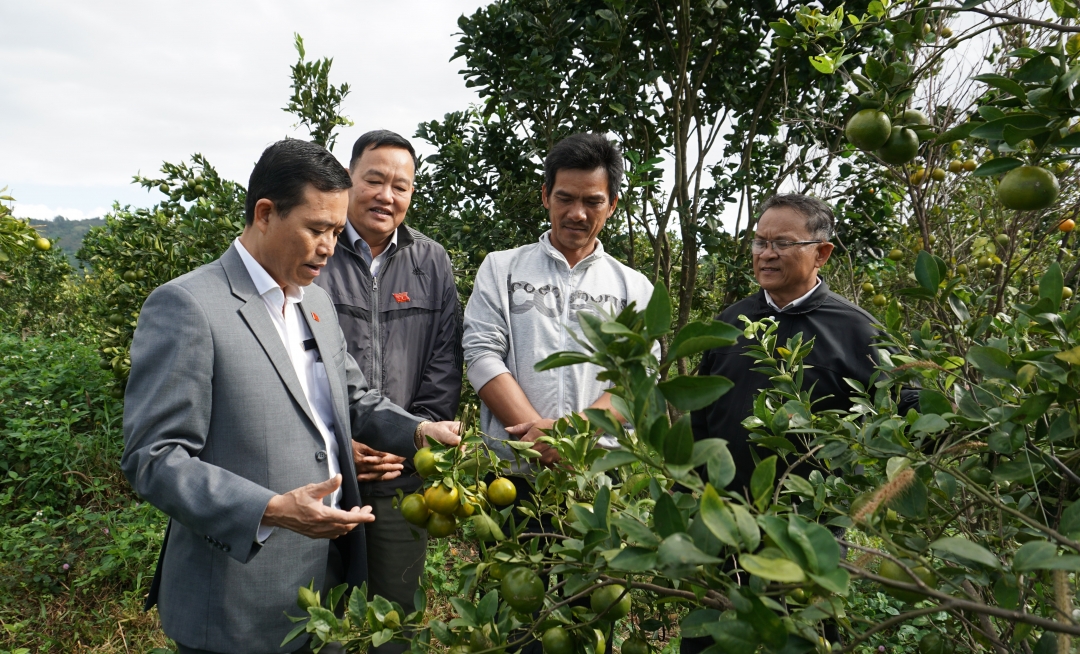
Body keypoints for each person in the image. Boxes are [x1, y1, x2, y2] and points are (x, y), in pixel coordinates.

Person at [121, 138, 461, 654]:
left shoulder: (314, 302)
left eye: (334, 230)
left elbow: (352, 397)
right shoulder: (190, 306)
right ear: (265, 213)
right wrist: (272, 508)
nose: (330, 246)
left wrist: (416, 430)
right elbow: (154, 459)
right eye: (317, 229)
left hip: (322, 585)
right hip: (238, 592)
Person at [686, 193, 917, 652]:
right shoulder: (728, 324)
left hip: (805, 533)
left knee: (798, 640)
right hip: (722, 521)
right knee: (710, 640)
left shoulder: (857, 331)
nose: (766, 254)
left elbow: (912, 410)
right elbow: (703, 421)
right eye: (759, 242)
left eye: (782, 243)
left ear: (821, 252)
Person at [314, 129, 461, 652]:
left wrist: (405, 442)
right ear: (348, 180)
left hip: (402, 476)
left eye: (401, 186)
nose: (386, 195)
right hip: (325, 470)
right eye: (373, 180)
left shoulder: (431, 261)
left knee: (392, 618)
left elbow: (445, 364)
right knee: (322, 615)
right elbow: (290, 358)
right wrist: (340, 442)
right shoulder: (315, 251)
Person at [462, 132, 654, 472]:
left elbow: (638, 380)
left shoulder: (634, 288)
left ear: (612, 205)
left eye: (592, 202)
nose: (577, 214)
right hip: (510, 473)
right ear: (546, 196)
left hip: (599, 477)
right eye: (565, 198)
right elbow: (481, 356)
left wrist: (570, 435)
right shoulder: (501, 268)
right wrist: (541, 443)